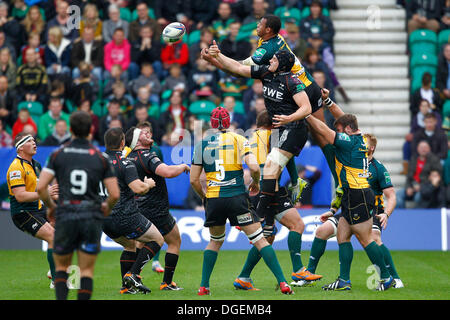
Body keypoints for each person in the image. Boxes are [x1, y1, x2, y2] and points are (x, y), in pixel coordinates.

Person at [190, 106, 293, 295]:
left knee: (215, 241)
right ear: (228, 122)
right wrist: (255, 183)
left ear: (212, 123)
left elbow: (194, 180)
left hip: (214, 198)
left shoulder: (201, 145)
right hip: (237, 197)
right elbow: (254, 167)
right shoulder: (239, 139)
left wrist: (204, 197)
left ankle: (204, 286)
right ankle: (284, 283)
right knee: (260, 240)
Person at [206, 43, 311, 223]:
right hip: (279, 128)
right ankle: (292, 186)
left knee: (270, 167)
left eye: (275, 59)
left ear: (283, 65)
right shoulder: (266, 72)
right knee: (272, 173)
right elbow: (238, 67)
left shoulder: (293, 81)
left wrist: (289, 118)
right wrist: (218, 55)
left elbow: (306, 108)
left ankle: (260, 213)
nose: (271, 59)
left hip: (294, 129)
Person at [304, 95, 396, 291]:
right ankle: (344, 280)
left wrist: (306, 115)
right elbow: (344, 119)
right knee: (343, 236)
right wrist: (328, 103)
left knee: (366, 239)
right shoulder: (360, 136)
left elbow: (324, 131)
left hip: (358, 194)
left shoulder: (347, 142)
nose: (339, 132)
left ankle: (386, 277)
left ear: (346, 130)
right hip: (351, 195)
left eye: (340, 129)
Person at [233, 109, 321, 291]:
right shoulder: (275, 135)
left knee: (267, 237)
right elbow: (287, 159)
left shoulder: (250, 137)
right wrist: (296, 181)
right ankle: (298, 269)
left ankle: (243, 277)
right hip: (271, 187)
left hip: (258, 187)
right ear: (274, 124)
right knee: (297, 225)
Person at [37, 110, 120, 300]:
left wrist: (51, 206)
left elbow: (42, 187)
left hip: (65, 215)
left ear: (70, 129)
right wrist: (107, 207)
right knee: (86, 271)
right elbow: (115, 193)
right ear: (91, 130)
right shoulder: (100, 157)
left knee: (61, 269)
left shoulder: (58, 154)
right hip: (91, 217)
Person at [125, 121, 191, 291]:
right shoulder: (147, 156)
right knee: (174, 241)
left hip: (138, 207)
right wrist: (183, 166)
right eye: (143, 133)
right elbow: (167, 172)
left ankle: (131, 279)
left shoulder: (129, 158)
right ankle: (165, 282)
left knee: (140, 245)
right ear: (137, 142)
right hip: (156, 209)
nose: (147, 134)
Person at [101, 127, 164, 294]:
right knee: (157, 239)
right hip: (125, 215)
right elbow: (138, 188)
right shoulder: (125, 162)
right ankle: (134, 274)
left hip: (104, 218)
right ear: (123, 143)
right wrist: (148, 184)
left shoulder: (97, 162)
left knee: (129, 245)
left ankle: (126, 286)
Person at [6, 132, 58, 289]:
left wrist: (53, 193)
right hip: (23, 213)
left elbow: (40, 188)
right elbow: (20, 196)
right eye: (30, 141)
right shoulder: (16, 168)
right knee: (53, 237)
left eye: (35, 141)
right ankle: (57, 281)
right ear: (20, 147)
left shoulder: (35, 165)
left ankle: (53, 270)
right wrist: (45, 193)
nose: (35, 143)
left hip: (39, 210)